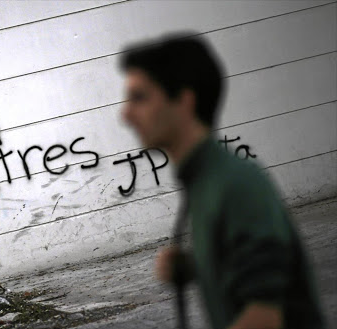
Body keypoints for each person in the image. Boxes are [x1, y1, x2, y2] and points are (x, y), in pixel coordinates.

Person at [118, 31, 325, 329]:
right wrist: (195, 266)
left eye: (139, 97)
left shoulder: (235, 183)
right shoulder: (205, 179)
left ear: (185, 101)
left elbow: (263, 318)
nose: (125, 115)